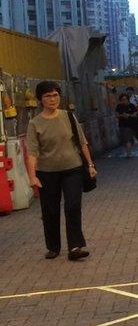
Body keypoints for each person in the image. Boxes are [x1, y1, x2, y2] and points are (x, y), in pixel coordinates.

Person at [24, 81, 97, 261]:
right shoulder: (35, 124)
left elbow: (82, 143)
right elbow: (32, 153)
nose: (52, 99)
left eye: (55, 95)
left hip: (73, 169)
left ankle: (75, 246)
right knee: (50, 210)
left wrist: (90, 165)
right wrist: (32, 176)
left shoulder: (68, 117)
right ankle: (53, 246)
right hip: (46, 173)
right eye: (48, 96)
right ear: (40, 99)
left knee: (73, 206)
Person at [115, 93, 138, 158]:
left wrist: (129, 115)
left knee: (129, 139)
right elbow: (117, 115)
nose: (124, 101)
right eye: (122, 100)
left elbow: (135, 114)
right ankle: (128, 152)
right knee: (126, 140)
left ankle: (128, 153)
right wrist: (122, 115)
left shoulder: (132, 106)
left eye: (125, 99)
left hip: (131, 125)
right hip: (122, 125)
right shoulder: (119, 106)